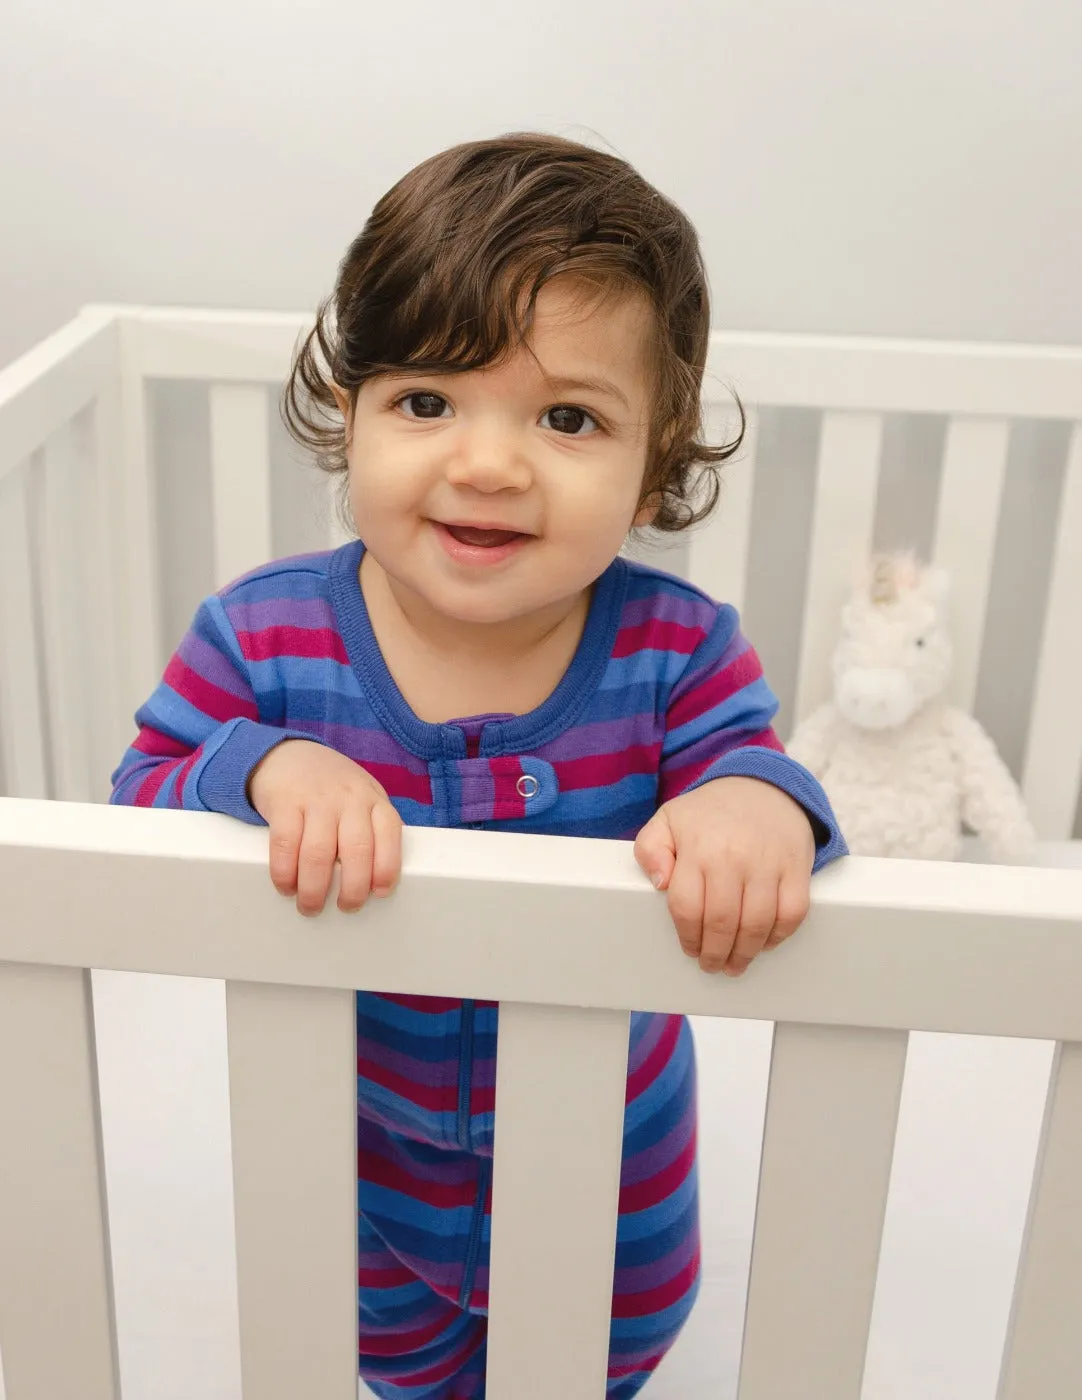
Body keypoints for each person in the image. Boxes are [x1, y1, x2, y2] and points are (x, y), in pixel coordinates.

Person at [111, 131, 846, 1398]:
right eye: (425, 400)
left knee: (594, 1364)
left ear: (654, 458)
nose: (488, 463)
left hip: (615, 1171)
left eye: (566, 416)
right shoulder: (263, 636)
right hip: (362, 1167)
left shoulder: (676, 652)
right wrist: (264, 764)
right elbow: (139, 796)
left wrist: (743, 801)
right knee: (393, 1369)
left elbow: (753, 768)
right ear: (350, 415)